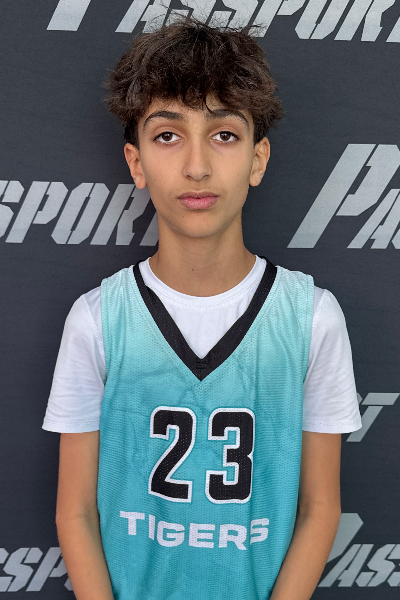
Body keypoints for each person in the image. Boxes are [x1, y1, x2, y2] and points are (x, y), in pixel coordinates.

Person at [43, 18, 362, 600]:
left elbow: (320, 509)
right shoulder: (98, 319)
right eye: (168, 135)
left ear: (258, 159)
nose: (196, 166)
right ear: (136, 162)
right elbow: (76, 512)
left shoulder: (311, 318)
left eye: (224, 135)